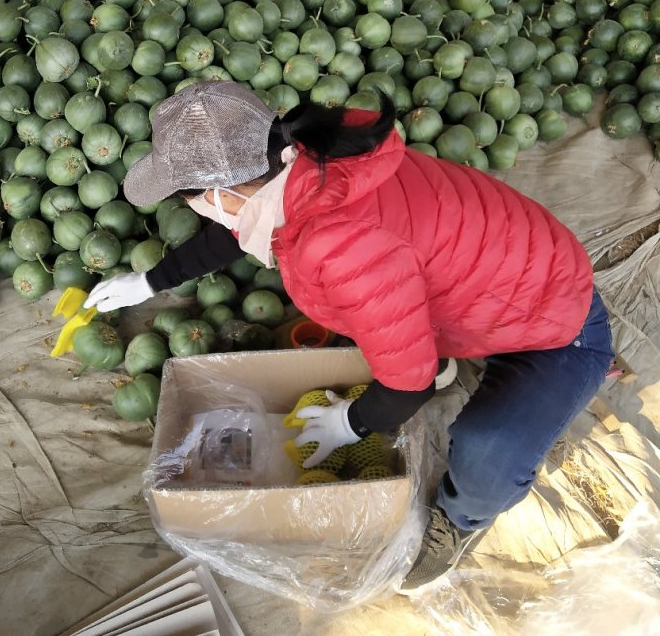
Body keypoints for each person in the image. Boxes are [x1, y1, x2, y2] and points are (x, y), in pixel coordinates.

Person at [85, 82, 614, 591]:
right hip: (488, 290)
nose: (197, 209)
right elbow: (237, 229)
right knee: (382, 327)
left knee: (485, 454)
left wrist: (349, 423)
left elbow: (407, 387)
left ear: (223, 191)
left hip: (555, 325)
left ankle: (461, 520)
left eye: (195, 199)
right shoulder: (310, 158)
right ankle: (445, 356)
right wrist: (149, 281)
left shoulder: (337, 244)